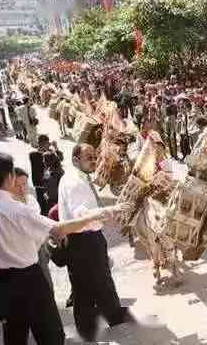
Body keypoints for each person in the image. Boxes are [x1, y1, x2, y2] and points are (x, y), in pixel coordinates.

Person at [0, 152, 124, 345]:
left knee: (15, 332)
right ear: (9, 177)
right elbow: (57, 230)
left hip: (2, 281)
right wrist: (93, 217)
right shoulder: (17, 210)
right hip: (28, 278)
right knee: (51, 335)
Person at [58, 143, 134, 341]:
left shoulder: (79, 178)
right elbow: (81, 215)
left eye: (94, 157)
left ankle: (114, 316)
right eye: (88, 158)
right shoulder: (74, 182)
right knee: (85, 289)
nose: (94, 161)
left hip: (88, 240)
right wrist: (111, 210)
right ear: (75, 160)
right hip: (83, 241)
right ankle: (88, 330)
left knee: (101, 282)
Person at [30, 135, 62, 215]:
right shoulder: (34, 155)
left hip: (49, 186)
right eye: (47, 143)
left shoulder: (48, 154)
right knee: (43, 207)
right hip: (40, 185)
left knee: (51, 207)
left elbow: (60, 159)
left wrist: (56, 149)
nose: (49, 145)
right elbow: (53, 159)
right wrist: (53, 151)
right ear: (42, 144)